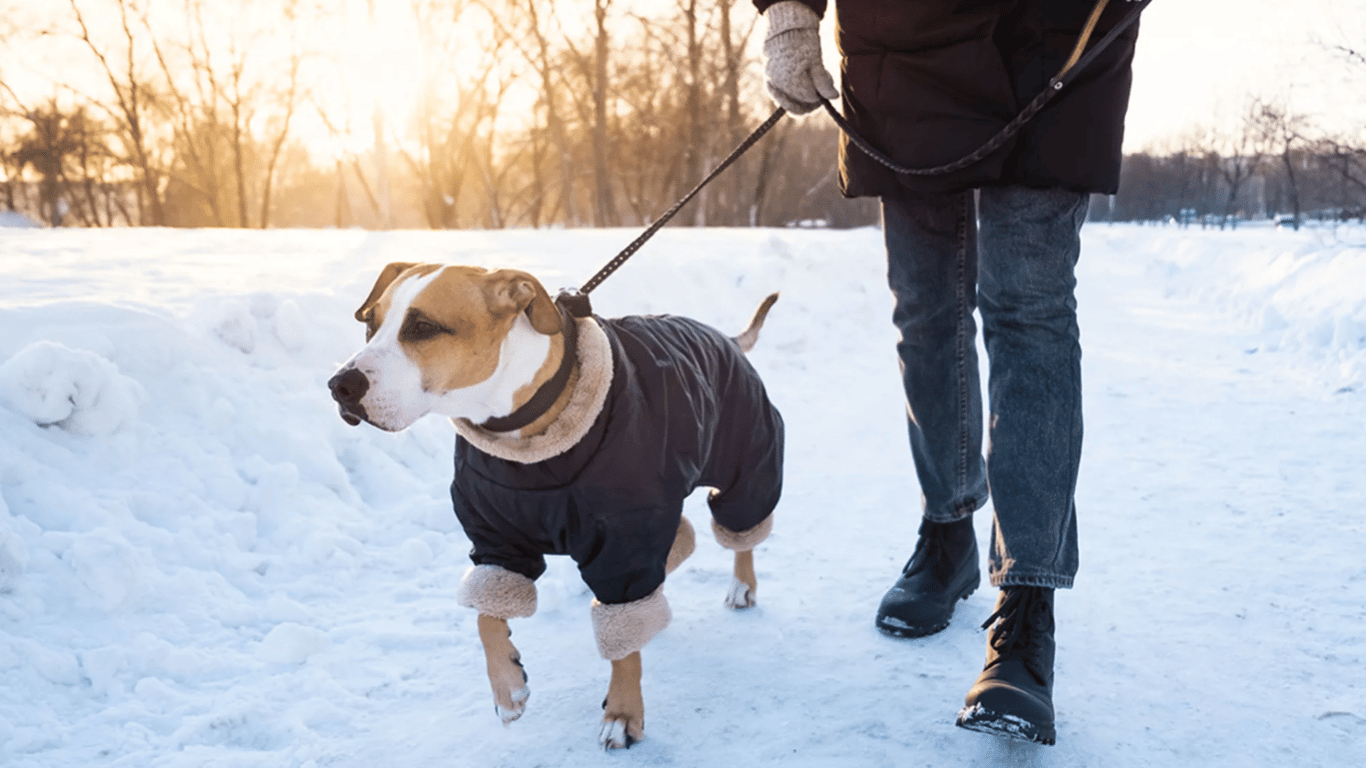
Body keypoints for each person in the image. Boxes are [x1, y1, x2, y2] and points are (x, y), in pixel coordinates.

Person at [754, 0, 1141, 746]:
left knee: (1029, 310)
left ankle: (1027, 612)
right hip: (901, 44)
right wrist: (788, 13)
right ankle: (947, 526)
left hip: (1055, 28)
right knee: (926, 312)